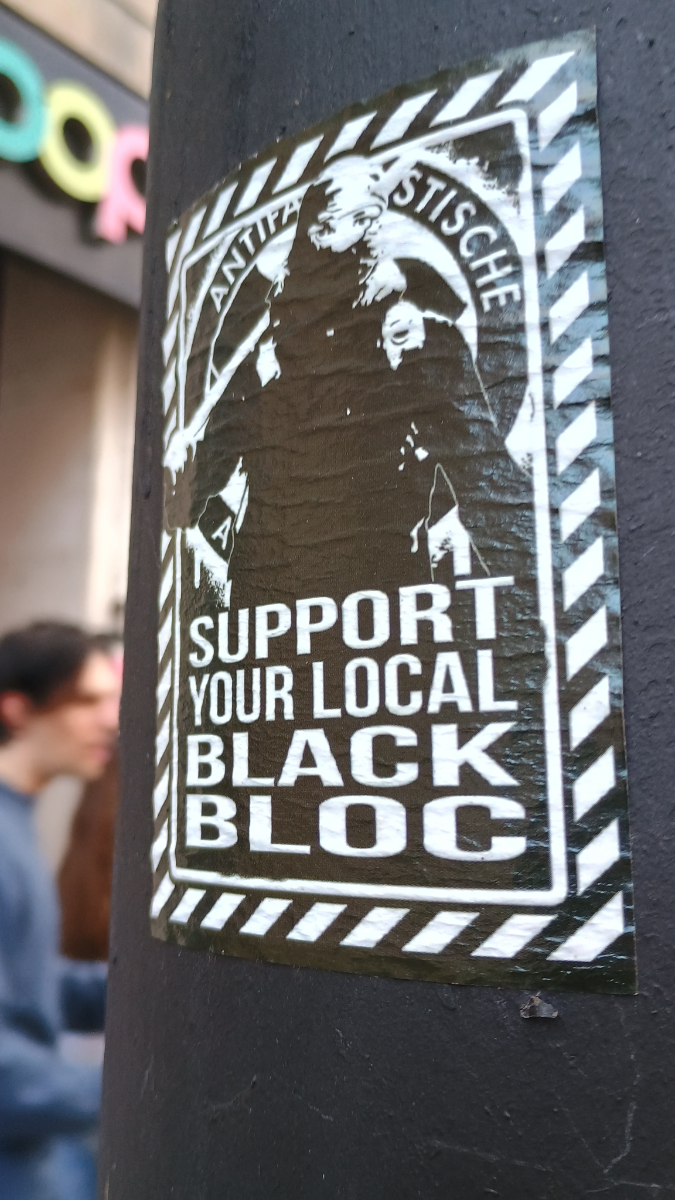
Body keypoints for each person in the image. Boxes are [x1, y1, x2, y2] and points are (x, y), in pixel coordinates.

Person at [0, 622, 120, 1200]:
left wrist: (138, 991)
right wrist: (138, 1089)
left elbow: (27, 985)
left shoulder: (17, 822)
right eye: (89, 701)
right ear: (18, 710)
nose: (110, 721)